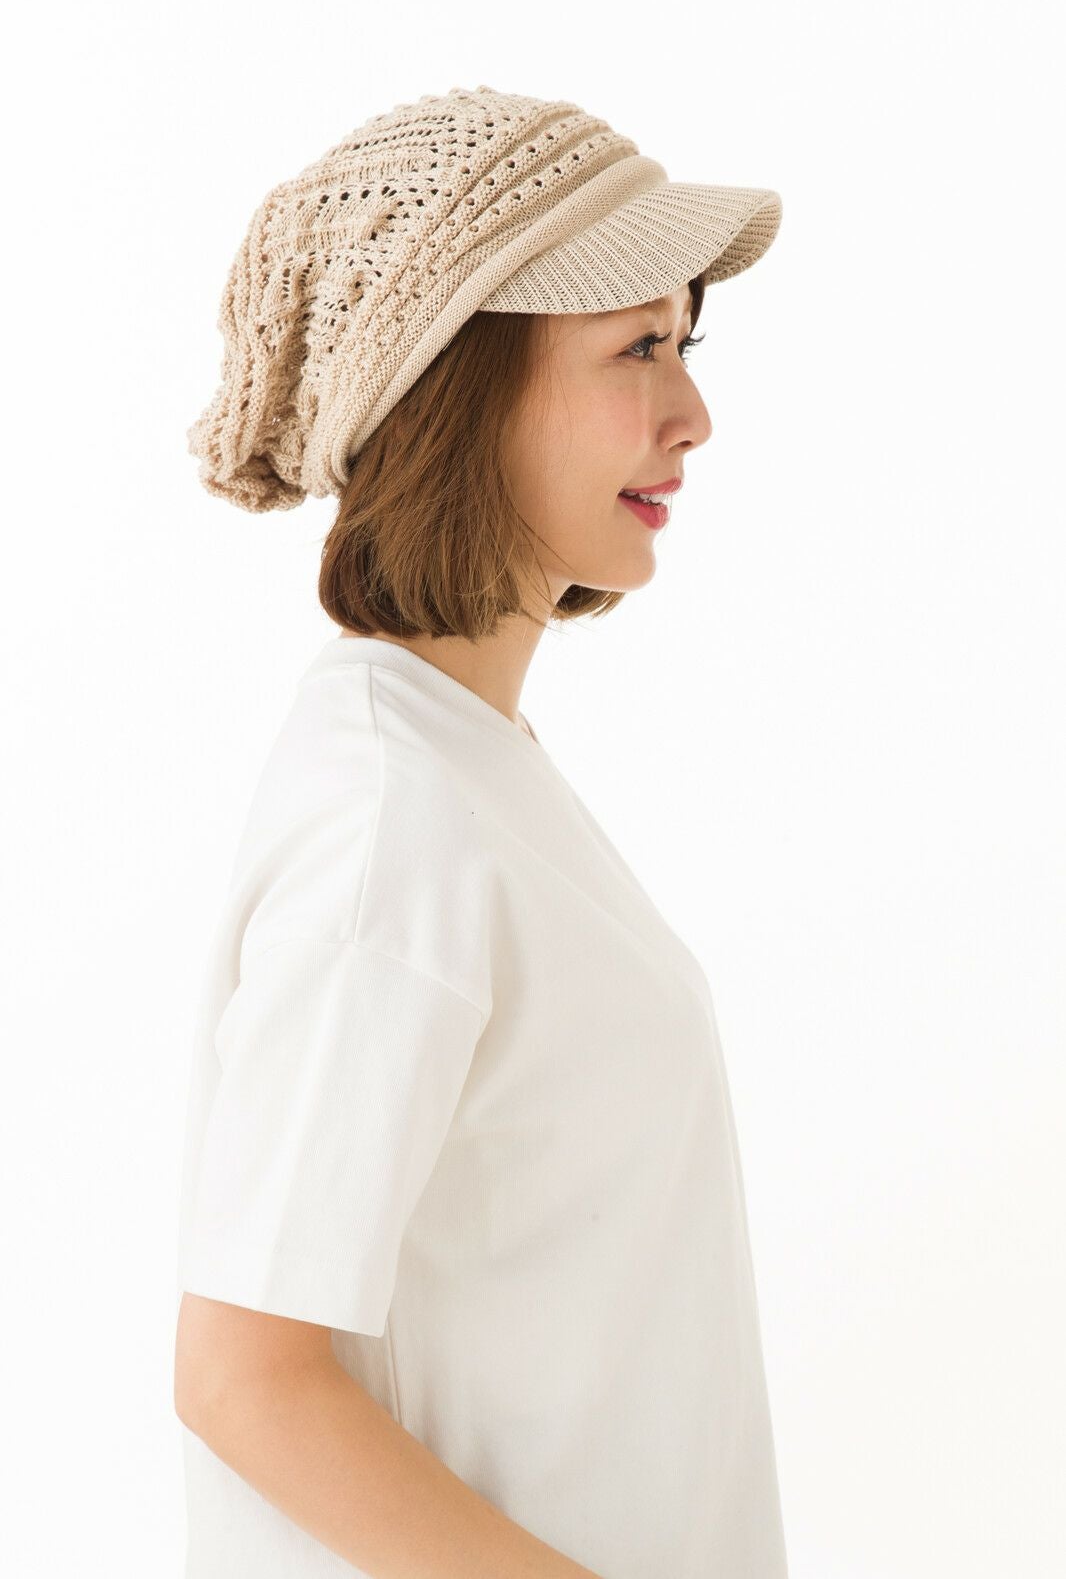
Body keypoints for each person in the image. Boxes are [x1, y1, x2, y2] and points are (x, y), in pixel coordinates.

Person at [173, 84, 787, 1579]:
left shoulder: (463, 770)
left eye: (685, 344)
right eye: (635, 348)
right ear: (455, 387)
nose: (693, 415)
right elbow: (247, 1379)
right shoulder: (394, 823)